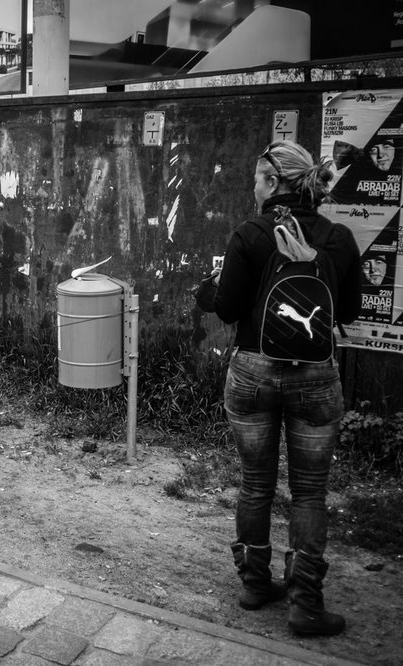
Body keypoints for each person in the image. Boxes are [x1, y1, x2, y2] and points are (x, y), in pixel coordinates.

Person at [201, 140, 362, 636]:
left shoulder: (250, 234)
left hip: (253, 371)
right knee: (309, 493)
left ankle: (255, 583)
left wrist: (211, 289)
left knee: (255, 483)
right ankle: (305, 605)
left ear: (272, 182)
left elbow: (227, 308)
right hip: (315, 376)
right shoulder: (337, 237)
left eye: (256, 179)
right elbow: (350, 311)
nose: (253, 187)